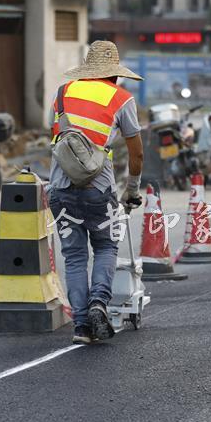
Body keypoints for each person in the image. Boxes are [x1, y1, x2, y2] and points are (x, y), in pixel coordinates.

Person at [47, 41, 144, 345]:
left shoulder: (62, 94)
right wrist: (132, 190)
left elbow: (58, 139)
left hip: (60, 189)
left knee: (74, 257)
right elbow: (136, 153)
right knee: (105, 246)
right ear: (115, 74)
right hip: (99, 189)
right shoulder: (122, 99)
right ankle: (99, 303)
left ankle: (80, 326)